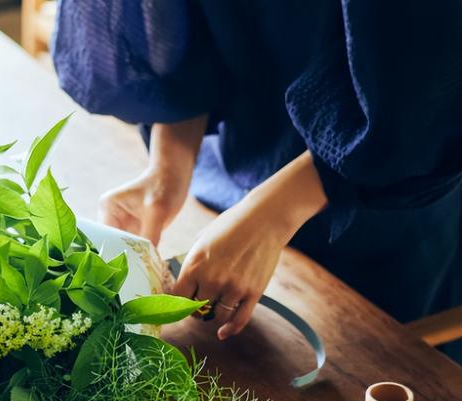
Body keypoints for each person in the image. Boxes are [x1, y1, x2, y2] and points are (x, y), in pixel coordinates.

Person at [52, 1, 462, 360]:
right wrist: (168, 166)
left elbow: (426, 75)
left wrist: (275, 213)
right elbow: (179, 21)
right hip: (223, 172)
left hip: (381, 198)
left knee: (363, 391)